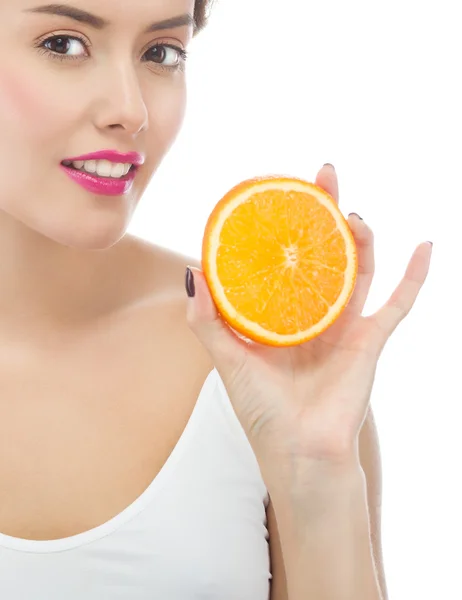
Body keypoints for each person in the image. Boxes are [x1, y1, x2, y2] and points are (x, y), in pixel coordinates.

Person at [0, 1, 433, 598]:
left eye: (162, 53)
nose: (132, 110)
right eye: (63, 44)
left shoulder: (260, 358)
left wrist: (318, 477)